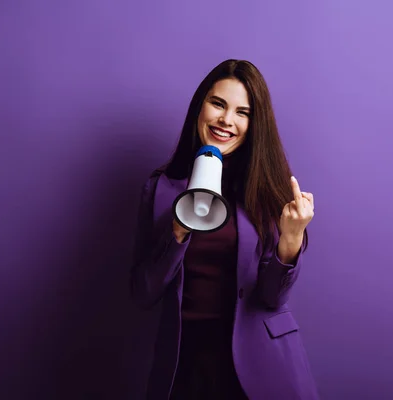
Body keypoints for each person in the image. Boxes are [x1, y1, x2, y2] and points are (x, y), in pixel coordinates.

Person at [130, 59, 320, 400]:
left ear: (254, 124)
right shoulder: (161, 190)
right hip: (183, 366)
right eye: (218, 104)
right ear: (200, 106)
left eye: (242, 112)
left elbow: (272, 298)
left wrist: (291, 239)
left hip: (260, 364)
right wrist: (176, 233)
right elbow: (143, 292)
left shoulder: (269, 193)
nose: (226, 120)